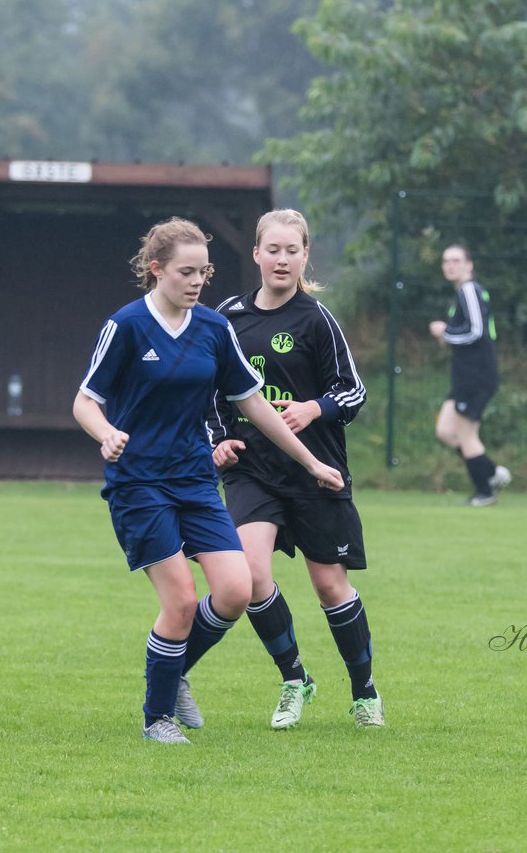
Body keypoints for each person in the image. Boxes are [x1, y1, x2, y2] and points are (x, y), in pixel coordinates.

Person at [73, 217, 344, 745]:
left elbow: (253, 404)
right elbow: (86, 400)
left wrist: (310, 462)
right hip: (139, 483)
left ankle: (171, 671)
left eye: (205, 272)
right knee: (178, 600)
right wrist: (105, 433)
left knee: (237, 590)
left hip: (195, 479)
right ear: (157, 270)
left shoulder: (213, 330)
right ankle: (158, 719)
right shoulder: (126, 327)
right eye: (186, 272)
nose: (198, 282)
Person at [200, 208, 384, 730]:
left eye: (292, 251)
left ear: (305, 257)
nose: (282, 259)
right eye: (273, 250)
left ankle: (365, 692)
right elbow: (211, 391)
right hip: (253, 471)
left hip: (316, 471)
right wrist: (219, 439)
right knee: (251, 574)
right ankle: (294, 678)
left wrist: (314, 408)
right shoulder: (229, 316)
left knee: (329, 587)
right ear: (256, 253)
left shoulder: (317, 320)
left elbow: (353, 391)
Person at [429, 243, 511, 506]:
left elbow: (476, 331)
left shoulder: (469, 290)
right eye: (446, 261)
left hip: (477, 376)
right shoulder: (461, 294)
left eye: (456, 260)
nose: (450, 265)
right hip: (463, 376)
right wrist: (448, 335)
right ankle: (491, 472)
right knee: (445, 430)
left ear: (469, 265)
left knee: (466, 434)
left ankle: (485, 492)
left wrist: (445, 333)